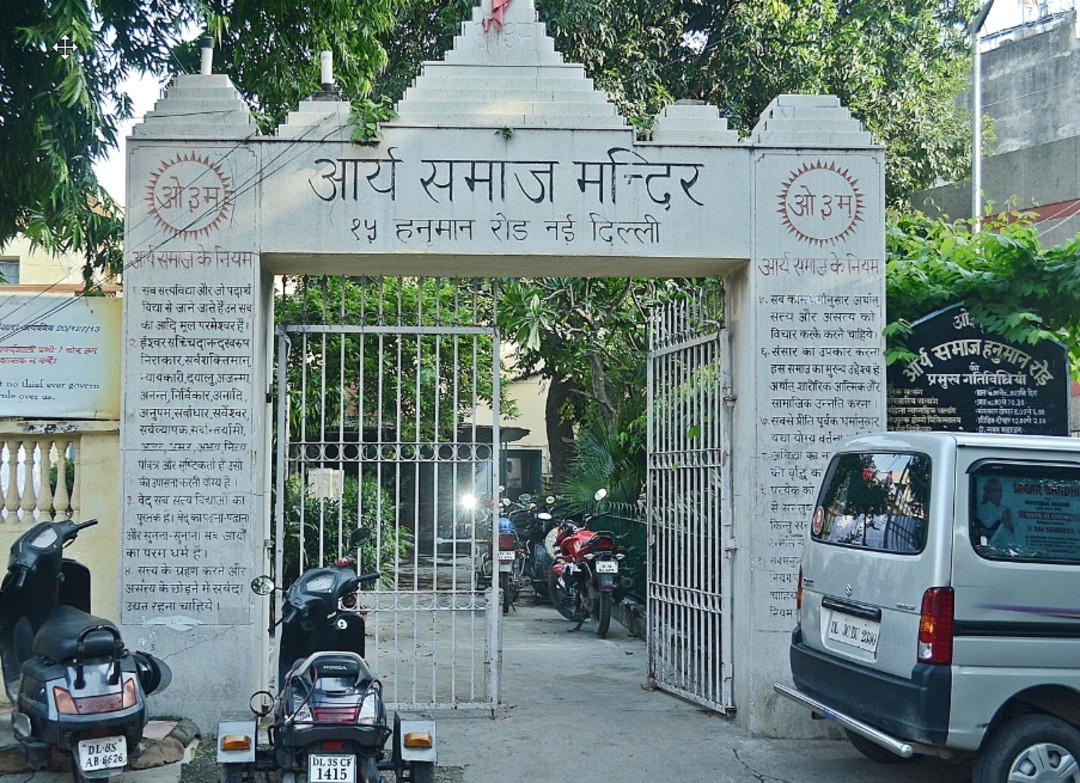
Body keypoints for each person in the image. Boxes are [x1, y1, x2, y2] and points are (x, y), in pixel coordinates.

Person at [974, 477, 1015, 546]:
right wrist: (1002, 523)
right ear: (987, 493)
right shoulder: (980, 510)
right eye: (995, 491)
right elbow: (986, 533)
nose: (998, 494)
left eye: (1000, 491)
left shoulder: (1006, 510)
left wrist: (1010, 525)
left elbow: (1017, 533)